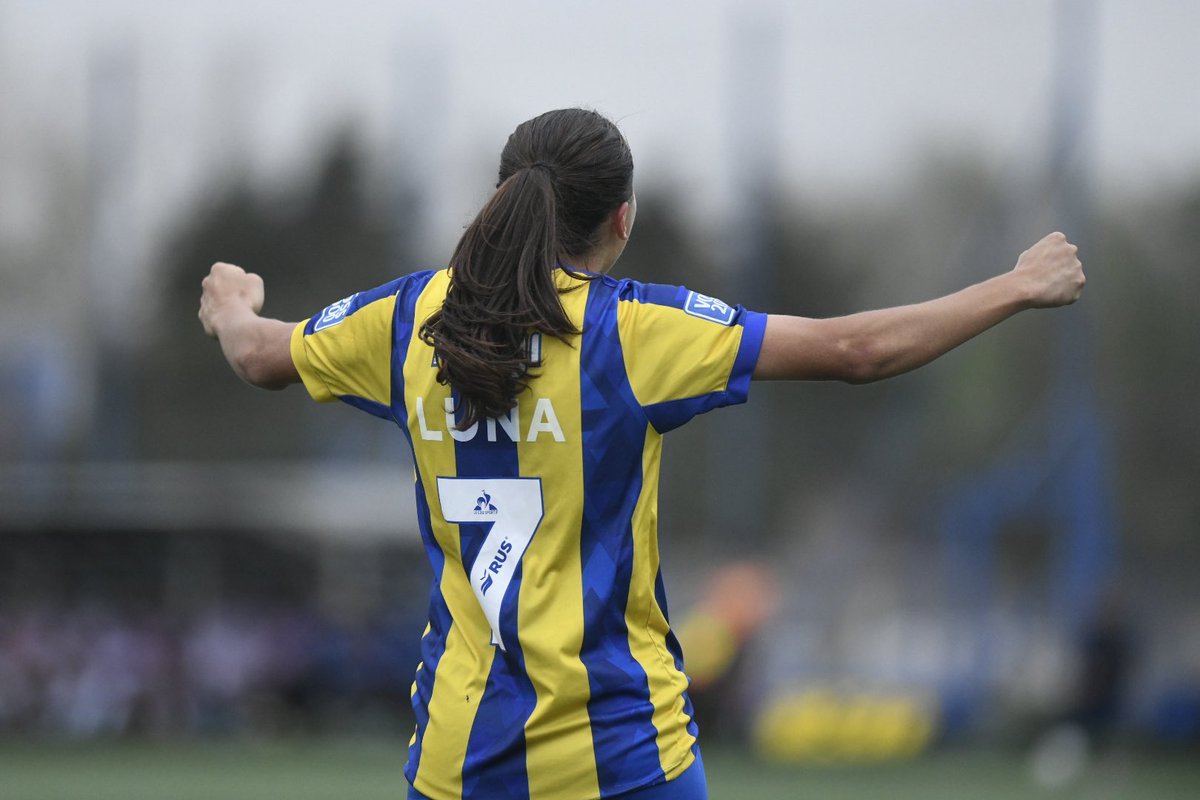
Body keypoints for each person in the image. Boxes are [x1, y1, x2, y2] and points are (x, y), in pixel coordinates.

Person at [198, 108, 1084, 800]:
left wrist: (234, 306)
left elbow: (260, 356)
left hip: (459, 760)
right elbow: (856, 350)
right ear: (621, 220)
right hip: (624, 756)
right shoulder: (629, 331)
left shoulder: (406, 321)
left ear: (503, 199)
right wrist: (1016, 286)